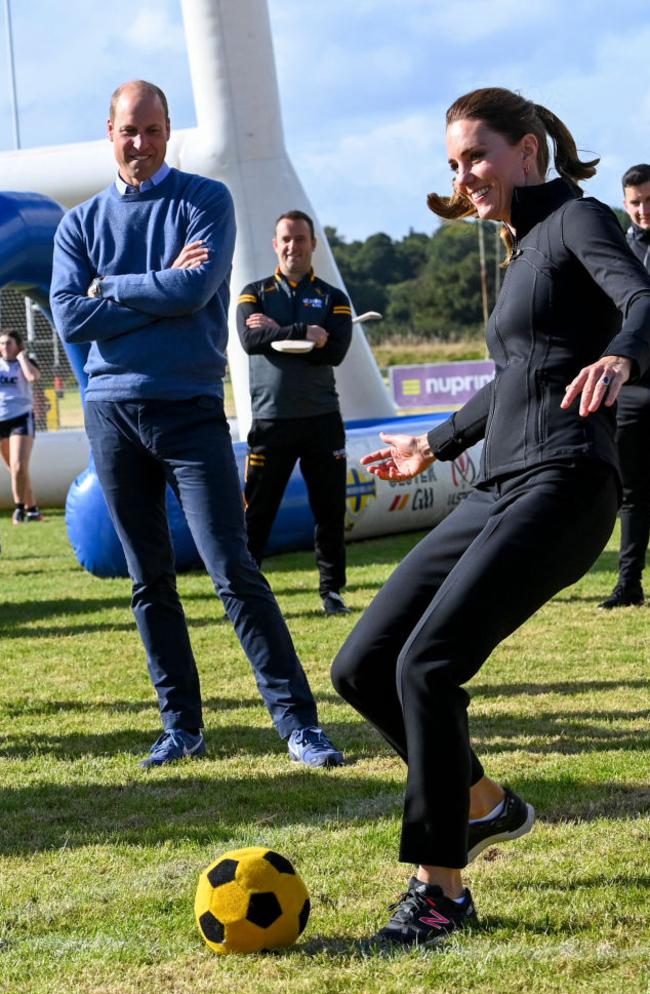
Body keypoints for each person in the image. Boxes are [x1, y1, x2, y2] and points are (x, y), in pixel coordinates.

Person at [331, 86, 650, 948]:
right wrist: (430, 446)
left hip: (567, 481)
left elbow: (644, 298)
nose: (465, 175)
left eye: (476, 155)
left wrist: (622, 354)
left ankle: (442, 893)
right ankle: (482, 805)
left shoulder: (579, 221)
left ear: (528, 150)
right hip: (498, 484)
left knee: (428, 666)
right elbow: (517, 378)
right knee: (363, 666)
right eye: (453, 163)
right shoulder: (521, 248)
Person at [50, 80, 343, 769]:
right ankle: (181, 727)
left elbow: (195, 288)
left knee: (233, 569)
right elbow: (68, 316)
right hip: (111, 415)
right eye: (129, 130)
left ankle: (299, 725)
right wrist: (152, 290)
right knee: (148, 580)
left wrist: (110, 289)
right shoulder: (79, 224)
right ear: (110, 131)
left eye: (153, 131)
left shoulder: (204, 199)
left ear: (169, 131)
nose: (140, 143)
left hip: (189, 412)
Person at [236, 211, 353, 615]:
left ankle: (332, 591)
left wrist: (276, 330)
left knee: (329, 509)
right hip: (271, 421)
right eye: (286, 239)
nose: (293, 247)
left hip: (322, 420)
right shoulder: (253, 292)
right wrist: (304, 332)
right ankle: (245, 592)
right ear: (275, 244)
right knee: (257, 511)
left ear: (312, 244)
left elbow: (336, 350)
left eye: (300, 239)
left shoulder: (334, 298)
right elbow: (250, 338)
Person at [599, 164, 650, 608]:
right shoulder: (617, 251)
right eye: (635, 202)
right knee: (631, 492)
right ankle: (628, 584)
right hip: (632, 389)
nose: (642, 210)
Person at [0, 329, 44, 524]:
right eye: (1, 343)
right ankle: (33, 509)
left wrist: (22, 358)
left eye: (8, 343)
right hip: (1, 419)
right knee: (15, 469)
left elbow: (33, 377)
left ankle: (19, 510)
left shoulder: (24, 363)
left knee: (19, 467)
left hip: (21, 418)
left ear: (18, 345)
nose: (4, 347)